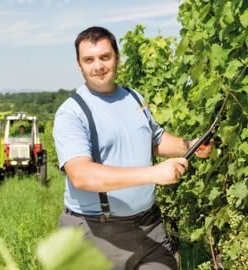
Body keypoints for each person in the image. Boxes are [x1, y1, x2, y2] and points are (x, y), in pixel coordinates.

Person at [53, 26, 213, 270]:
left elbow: (155, 140)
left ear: (117, 57)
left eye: (105, 57)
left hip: (149, 228)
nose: (98, 66)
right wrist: (153, 174)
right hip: (96, 234)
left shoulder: (134, 97)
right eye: (89, 60)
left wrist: (188, 145)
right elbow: (81, 176)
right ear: (79, 64)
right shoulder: (72, 112)